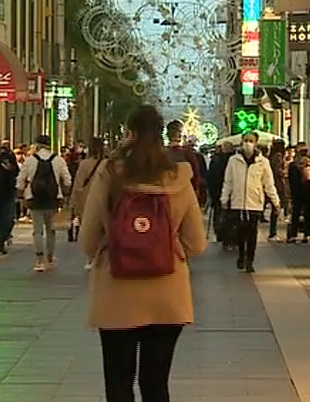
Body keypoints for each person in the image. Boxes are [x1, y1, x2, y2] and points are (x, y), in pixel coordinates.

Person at [80, 105, 207, 402]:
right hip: (168, 293)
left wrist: (115, 247)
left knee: (119, 381)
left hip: (117, 292)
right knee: (156, 383)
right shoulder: (178, 177)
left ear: (130, 134)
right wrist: (166, 248)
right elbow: (197, 243)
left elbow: (88, 238)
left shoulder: (110, 174)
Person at [221, 132, 280, 273]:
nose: (248, 143)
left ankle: (250, 260)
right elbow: (228, 181)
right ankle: (241, 255)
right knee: (240, 232)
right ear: (241, 142)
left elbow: (268, 183)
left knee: (252, 232)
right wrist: (224, 198)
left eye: (251, 141)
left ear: (256, 143)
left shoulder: (263, 162)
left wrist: (275, 201)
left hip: (255, 202)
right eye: (246, 140)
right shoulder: (233, 161)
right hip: (238, 202)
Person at [17, 135, 73, 272]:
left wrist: (21, 194)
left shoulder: (30, 161)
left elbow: (20, 180)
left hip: (34, 198)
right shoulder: (58, 160)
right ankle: (50, 257)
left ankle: (39, 260)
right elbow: (67, 180)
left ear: (37, 145)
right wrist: (65, 194)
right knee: (51, 230)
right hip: (53, 198)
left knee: (37, 231)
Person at [68, 137, 106, 250]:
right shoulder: (108, 164)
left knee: (90, 227)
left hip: (86, 200)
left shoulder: (84, 164)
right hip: (103, 199)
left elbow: (78, 185)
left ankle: (91, 255)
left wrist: (73, 203)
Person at [286, 143, 310, 242]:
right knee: (308, 214)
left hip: (297, 193)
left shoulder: (293, 165)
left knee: (296, 214)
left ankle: (293, 235)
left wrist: (290, 193)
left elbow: (291, 181)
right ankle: (306, 234)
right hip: (309, 193)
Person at [206, 142, 234, 249]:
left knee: (219, 214)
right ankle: (230, 237)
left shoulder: (216, 160)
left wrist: (211, 193)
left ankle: (220, 234)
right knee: (230, 216)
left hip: (217, 192)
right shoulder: (234, 160)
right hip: (231, 193)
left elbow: (211, 177)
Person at [267, 140, 289, 243]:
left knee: (275, 209)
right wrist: (285, 172)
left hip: (274, 183)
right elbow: (278, 170)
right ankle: (273, 233)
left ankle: (273, 233)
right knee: (277, 208)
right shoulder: (278, 156)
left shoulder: (271, 156)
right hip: (278, 184)